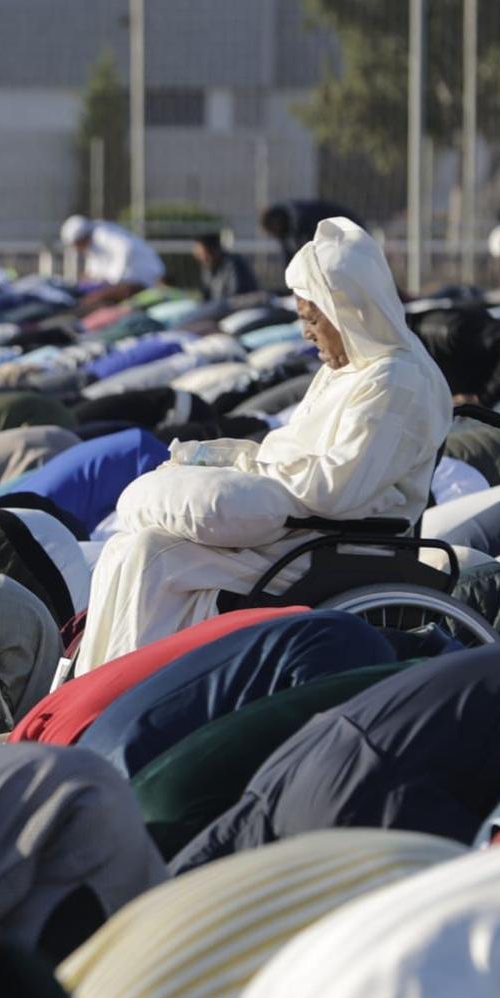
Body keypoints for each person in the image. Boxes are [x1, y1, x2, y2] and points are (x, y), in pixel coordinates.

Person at [73, 218, 451, 672]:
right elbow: (290, 455)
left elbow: (334, 487)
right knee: (127, 547)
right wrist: (224, 462)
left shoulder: (397, 380)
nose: (306, 333)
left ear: (348, 313)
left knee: (156, 558)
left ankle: (119, 702)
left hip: (338, 543)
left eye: (312, 319)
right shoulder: (348, 369)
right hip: (302, 529)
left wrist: (248, 481)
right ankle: (79, 695)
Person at [58, 216, 163, 287]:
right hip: (133, 278)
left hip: (144, 277)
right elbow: (97, 270)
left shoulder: (102, 234)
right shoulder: (93, 243)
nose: (76, 249)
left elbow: (125, 248)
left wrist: (113, 279)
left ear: (81, 238)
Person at [260, 198, 364, 264]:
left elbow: (312, 246)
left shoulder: (301, 217)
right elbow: (288, 256)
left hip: (350, 231)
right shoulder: (287, 226)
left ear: (277, 220)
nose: (275, 231)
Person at [191, 232, 258, 302]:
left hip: (242, 308)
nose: (199, 257)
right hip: (221, 308)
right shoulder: (208, 268)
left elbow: (236, 296)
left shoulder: (233, 264)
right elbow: (206, 296)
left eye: (202, 254)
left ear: (213, 250)